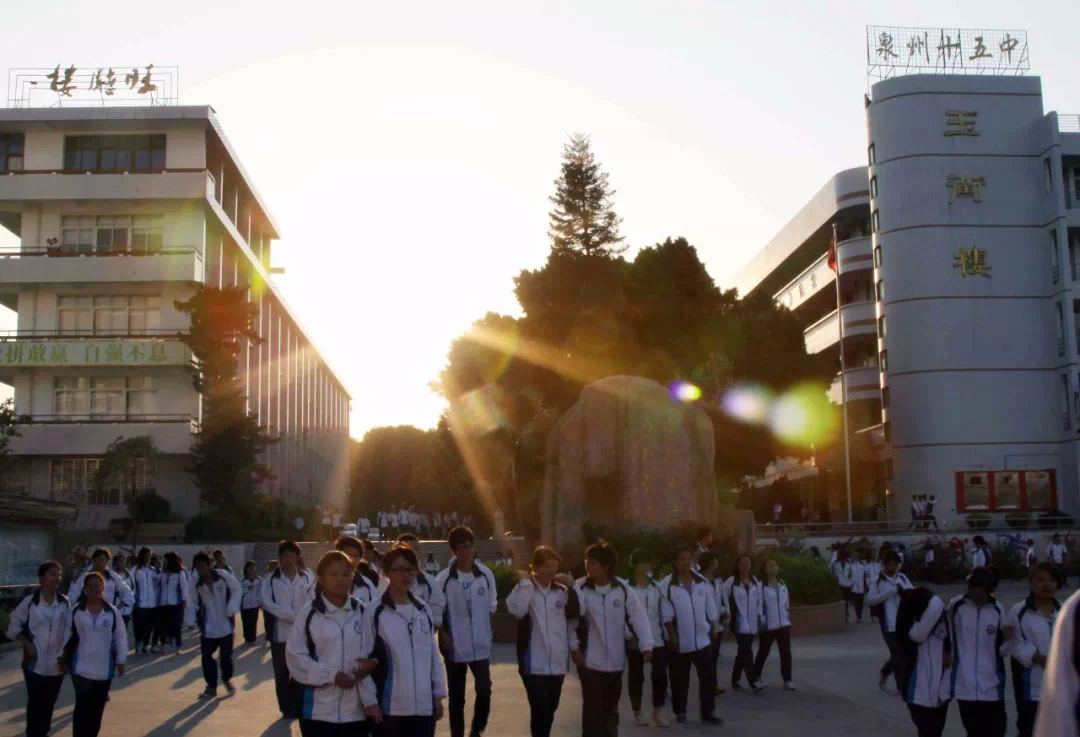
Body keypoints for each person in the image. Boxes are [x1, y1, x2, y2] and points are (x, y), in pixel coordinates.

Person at [287, 550, 379, 737]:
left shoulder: (361, 611)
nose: (340, 579)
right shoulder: (309, 613)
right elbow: (295, 657)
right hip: (317, 712)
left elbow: (367, 658)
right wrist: (333, 676)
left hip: (355, 713)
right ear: (320, 578)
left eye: (346, 574)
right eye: (333, 574)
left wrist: (370, 700)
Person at [573, 539, 653, 737]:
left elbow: (639, 616)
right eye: (586, 561)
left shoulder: (622, 589)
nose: (587, 566)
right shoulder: (580, 588)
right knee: (592, 711)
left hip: (616, 663)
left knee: (610, 711)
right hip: (590, 662)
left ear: (606, 566)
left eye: (593, 563)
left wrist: (646, 644)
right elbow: (570, 621)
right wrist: (574, 649)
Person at [366, 543, 448, 737]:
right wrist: (370, 701)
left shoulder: (423, 609)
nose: (406, 575)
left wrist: (437, 694)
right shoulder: (374, 612)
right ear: (387, 572)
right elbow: (363, 661)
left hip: (424, 708)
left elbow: (433, 656)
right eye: (399, 570)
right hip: (390, 709)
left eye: (410, 569)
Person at [505, 546, 579, 737]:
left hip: (558, 662)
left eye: (555, 567)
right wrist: (526, 585)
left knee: (550, 708)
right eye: (547, 566)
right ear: (535, 567)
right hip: (533, 663)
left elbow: (575, 617)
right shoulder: (524, 588)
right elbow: (518, 610)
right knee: (540, 707)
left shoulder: (562, 591)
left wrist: (573, 587)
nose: (552, 571)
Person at [436, 525, 498, 737]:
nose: (465, 552)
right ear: (453, 550)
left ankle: (476, 730)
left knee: (484, 690)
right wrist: (443, 634)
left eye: (468, 547)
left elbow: (492, 605)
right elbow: (437, 612)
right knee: (457, 697)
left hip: (481, 645)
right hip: (454, 645)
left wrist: (486, 630)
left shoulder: (485, 575)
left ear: (473, 547)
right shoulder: (444, 579)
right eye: (460, 548)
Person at [59, 571, 127, 737]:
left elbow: (120, 636)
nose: (94, 589)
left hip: (104, 669)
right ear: (85, 589)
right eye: (90, 586)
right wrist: (61, 657)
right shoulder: (76, 611)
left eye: (98, 585)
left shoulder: (112, 612)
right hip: (81, 667)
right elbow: (66, 635)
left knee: (97, 709)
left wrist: (121, 660)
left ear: (103, 587)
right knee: (82, 707)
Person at [7, 561, 70, 737]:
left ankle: (43, 731)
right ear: (41, 578)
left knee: (49, 702)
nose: (56, 578)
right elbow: (13, 627)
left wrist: (66, 657)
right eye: (52, 574)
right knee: (36, 702)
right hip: (34, 662)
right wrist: (27, 644)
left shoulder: (65, 603)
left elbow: (69, 631)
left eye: (58, 575)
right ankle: (33, 732)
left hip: (57, 663)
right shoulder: (30, 602)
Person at [661, 544, 721, 725]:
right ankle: (680, 711)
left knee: (708, 677)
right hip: (680, 642)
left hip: (702, 640)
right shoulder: (667, 584)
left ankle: (708, 712)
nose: (686, 563)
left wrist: (713, 628)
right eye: (682, 560)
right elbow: (666, 614)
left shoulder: (701, 580)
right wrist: (672, 637)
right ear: (675, 562)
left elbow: (710, 608)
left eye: (689, 559)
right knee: (679, 680)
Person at [1003, 562, 1060, 737]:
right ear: (1031, 582)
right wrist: (1036, 657)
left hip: (1060, 689)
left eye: (1052, 580)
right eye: (1041, 580)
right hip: (1030, 690)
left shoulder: (1064, 611)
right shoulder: (1019, 612)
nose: (1046, 585)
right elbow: (1010, 642)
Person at [948, 567, 1007, 737]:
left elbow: (1003, 649)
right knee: (974, 732)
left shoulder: (997, 609)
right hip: (964, 685)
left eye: (979, 590)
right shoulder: (956, 606)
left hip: (992, 685)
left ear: (988, 589)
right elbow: (946, 637)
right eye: (970, 588)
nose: (973, 594)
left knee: (997, 730)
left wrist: (1009, 639)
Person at [262, 540, 316, 719]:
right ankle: (285, 707)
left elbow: (312, 599)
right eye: (284, 556)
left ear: (297, 557)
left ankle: (295, 702)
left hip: (302, 632)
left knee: (300, 669)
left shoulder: (307, 576)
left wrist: (302, 617)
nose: (287, 559)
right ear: (280, 557)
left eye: (291, 555)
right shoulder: (271, 579)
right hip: (280, 633)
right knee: (281, 671)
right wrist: (289, 615)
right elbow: (267, 603)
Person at [895, 587, 953, 737]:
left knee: (935, 732)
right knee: (928, 732)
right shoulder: (911, 629)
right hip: (918, 695)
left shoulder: (944, 622)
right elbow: (917, 635)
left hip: (940, 693)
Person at [187, 551, 242, 698]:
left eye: (203, 566)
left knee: (225, 657)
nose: (201, 570)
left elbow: (237, 589)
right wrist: (190, 618)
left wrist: (231, 608)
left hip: (226, 625)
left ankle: (227, 680)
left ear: (209, 564)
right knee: (206, 657)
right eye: (197, 567)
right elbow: (192, 602)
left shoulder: (223, 576)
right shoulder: (196, 583)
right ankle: (211, 686)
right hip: (208, 627)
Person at [625, 548, 670, 727]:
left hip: (657, 638)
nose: (644, 566)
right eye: (641, 562)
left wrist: (668, 635)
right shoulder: (626, 587)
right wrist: (630, 636)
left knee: (660, 675)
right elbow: (623, 615)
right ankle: (637, 712)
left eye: (647, 562)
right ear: (634, 564)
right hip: (636, 639)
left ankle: (657, 713)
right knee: (636, 676)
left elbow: (663, 611)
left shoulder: (657, 587)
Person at [867, 549, 913, 692]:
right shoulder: (877, 581)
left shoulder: (903, 578)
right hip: (889, 624)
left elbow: (914, 593)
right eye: (890, 565)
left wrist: (905, 593)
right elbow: (871, 600)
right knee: (898, 655)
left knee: (905, 653)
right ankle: (902, 687)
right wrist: (891, 592)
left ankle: (886, 670)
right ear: (884, 565)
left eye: (895, 565)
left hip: (905, 623)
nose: (893, 568)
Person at [377, 533, 447, 626]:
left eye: (416, 549)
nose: (414, 552)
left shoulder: (429, 581)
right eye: (409, 548)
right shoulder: (384, 582)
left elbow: (437, 610)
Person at [753, 557, 794, 691]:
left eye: (775, 565)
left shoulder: (782, 584)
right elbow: (757, 605)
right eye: (770, 565)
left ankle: (787, 680)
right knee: (763, 652)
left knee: (786, 653)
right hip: (768, 626)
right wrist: (761, 621)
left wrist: (786, 614)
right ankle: (756, 676)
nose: (773, 568)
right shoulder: (760, 585)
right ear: (764, 569)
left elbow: (786, 602)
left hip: (784, 625)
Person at [726, 553, 764, 692]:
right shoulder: (731, 581)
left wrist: (761, 617)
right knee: (747, 651)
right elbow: (723, 598)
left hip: (752, 623)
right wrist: (725, 613)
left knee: (743, 651)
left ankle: (735, 679)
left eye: (748, 563)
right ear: (737, 565)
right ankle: (753, 680)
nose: (745, 566)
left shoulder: (755, 580)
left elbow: (759, 602)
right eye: (742, 563)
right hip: (738, 623)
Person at [68, 548, 134, 615]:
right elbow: (73, 593)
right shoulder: (85, 576)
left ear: (107, 561)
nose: (99, 562)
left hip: (108, 615)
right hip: (88, 615)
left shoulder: (113, 576)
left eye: (102, 560)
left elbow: (128, 592)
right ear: (93, 561)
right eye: (96, 560)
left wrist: (117, 608)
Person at [698, 552, 728, 697]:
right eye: (715, 559)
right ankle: (709, 684)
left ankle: (712, 684)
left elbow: (723, 599)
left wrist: (725, 612)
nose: (717, 562)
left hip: (718, 623)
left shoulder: (718, 580)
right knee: (707, 657)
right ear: (709, 562)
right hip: (705, 625)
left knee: (713, 656)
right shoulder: (698, 580)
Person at [157, 551, 189, 655]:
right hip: (163, 603)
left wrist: (184, 600)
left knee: (176, 625)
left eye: (166, 560)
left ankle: (178, 646)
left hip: (175, 603)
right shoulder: (163, 572)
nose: (164, 562)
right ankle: (163, 645)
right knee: (163, 625)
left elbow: (184, 587)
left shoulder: (180, 572)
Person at [332, 535, 380, 604]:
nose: (352, 560)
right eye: (348, 555)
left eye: (355, 556)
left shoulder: (367, 585)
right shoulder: (327, 583)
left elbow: (373, 610)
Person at [131, 546, 159, 655]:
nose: (148, 557)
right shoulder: (136, 569)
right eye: (147, 555)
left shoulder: (152, 570)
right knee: (139, 626)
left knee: (149, 627)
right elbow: (132, 586)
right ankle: (138, 644)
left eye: (150, 556)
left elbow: (156, 584)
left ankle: (146, 645)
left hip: (152, 604)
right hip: (140, 604)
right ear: (142, 556)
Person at [240, 560, 262, 645]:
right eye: (250, 567)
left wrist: (260, 602)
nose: (252, 569)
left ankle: (252, 638)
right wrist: (246, 590)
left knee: (253, 621)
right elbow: (238, 591)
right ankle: (247, 637)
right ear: (246, 569)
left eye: (254, 567)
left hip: (254, 604)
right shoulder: (242, 579)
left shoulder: (258, 579)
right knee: (246, 621)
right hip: (245, 604)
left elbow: (260, 591)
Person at [112, 553, 135, 627]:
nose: (122, 562)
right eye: (120, 561)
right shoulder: (112, 574)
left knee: (124, 630)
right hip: (115, 606)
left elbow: (133, 589)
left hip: (127, 608)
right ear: (116, 562)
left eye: (123, 561)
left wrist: (127, 601)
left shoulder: (130, 575)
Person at [833, 550, 853, 623]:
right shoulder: (835, 564)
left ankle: (845, 615)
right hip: (840, 584)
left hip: (847, 585)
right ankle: (843, 615)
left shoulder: (849, 564)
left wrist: (851, 581)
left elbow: (851, 573)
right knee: (841, 601)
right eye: (842, 558)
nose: (843, 559)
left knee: (846, 602)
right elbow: (834, 573)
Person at [849, 550, 869, 623]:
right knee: (856, 602)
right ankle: (857, 615)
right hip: (853, 586)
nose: (856, 557)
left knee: (860, 602)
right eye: (855, 556)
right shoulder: (850, 565)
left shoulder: (863, 565)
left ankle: (859, 616)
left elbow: (866, 576)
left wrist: (866, 584)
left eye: (858, 556)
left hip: (861, 586)